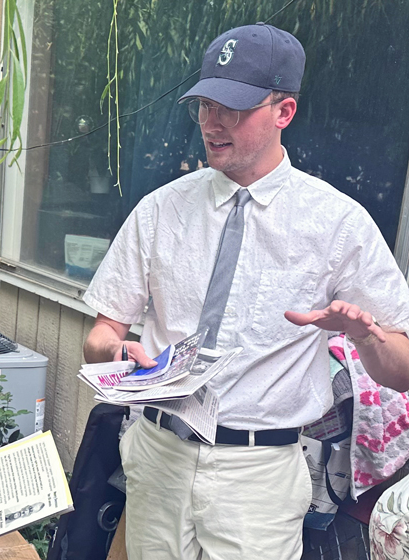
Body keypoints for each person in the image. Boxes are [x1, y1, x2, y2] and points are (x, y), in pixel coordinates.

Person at [82, 23, 409, 559]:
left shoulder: (337, 224)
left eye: (233, 109)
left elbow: (402, 369)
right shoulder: (160, 209)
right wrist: (117, 355)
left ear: (284, 112)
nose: (212, 123)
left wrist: (365, 336)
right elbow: (102, 331)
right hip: (158, 455)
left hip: (257, 478)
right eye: (206, 105)